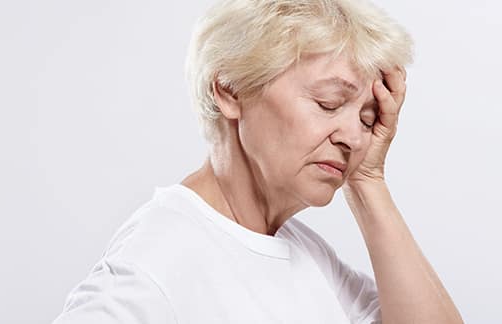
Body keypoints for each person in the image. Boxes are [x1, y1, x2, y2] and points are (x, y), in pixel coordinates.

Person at [52, 0, 462, 323]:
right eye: (328, 103)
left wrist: (369, 179)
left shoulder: (305, 255)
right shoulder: (156, 263)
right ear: (230, 90)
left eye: (366, 118)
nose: (354, 137)